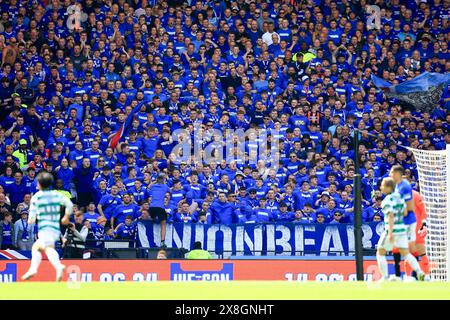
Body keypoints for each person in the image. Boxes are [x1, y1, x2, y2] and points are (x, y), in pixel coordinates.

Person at [21, 172, 74, 281]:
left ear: (39, 184)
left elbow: (31, 218)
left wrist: (31, 220)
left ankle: (55, 267)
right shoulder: (56, 194)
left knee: (42, 248)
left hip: (45, 227)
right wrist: (66, 216)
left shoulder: (36, 197)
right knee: (39, 247)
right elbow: (70, 204)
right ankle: (37, 268)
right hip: (55, 228)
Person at [376, 177, 425, 281]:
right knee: (406, 253)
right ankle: (419, 271)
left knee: (380, 251)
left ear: (388, 187)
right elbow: (405, 213)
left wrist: (390, 233)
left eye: (383, 185)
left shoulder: (387, 200)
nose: (381, 187)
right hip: (402, 229)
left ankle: (384, 277)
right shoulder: (400, 197)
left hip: (392, 230)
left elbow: (390, 216)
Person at [389, 165, 417, 278]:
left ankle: (416, 274)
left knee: (409, 248)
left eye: (391, 172)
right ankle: (397, 274)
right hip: (401, 221)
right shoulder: (397, 186)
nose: (390, 174)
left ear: (396, 173)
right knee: (397, 247)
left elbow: (409, 208)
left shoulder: (405, 187)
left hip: (408, 221)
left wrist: (397, 212)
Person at [147, 173, 170, 248]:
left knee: (151, 219)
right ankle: (162, 242)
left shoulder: (153, 186)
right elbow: (170, 191)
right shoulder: (165, 187)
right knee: (163, 224)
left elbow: (148, 187)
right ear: (163, 180)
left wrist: (154, 181)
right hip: (160, 207)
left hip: (152, 207)